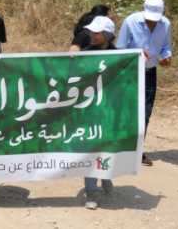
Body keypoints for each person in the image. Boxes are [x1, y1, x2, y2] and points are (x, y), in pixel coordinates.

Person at [116, 0, 172, 166]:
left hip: (149, 72)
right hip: (129, 72)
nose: (152, 22)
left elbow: (166, 47)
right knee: (127, 111)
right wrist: (137, 54)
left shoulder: (166, 24)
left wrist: (166, 57)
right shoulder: (130, 21)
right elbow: (119, 49)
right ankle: (120, 147)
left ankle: (137, 149)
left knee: (145, 112)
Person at [69, 15, 117, 209]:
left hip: (109, 110)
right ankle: (91, 191)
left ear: (106, 35)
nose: (92, 34)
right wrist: (73, 55)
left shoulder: (120, 55)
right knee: (91, 148)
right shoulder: (86, 52)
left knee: (106, 146)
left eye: (96, 32)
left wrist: (141, 58)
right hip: (89, 110)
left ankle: (105, 175)